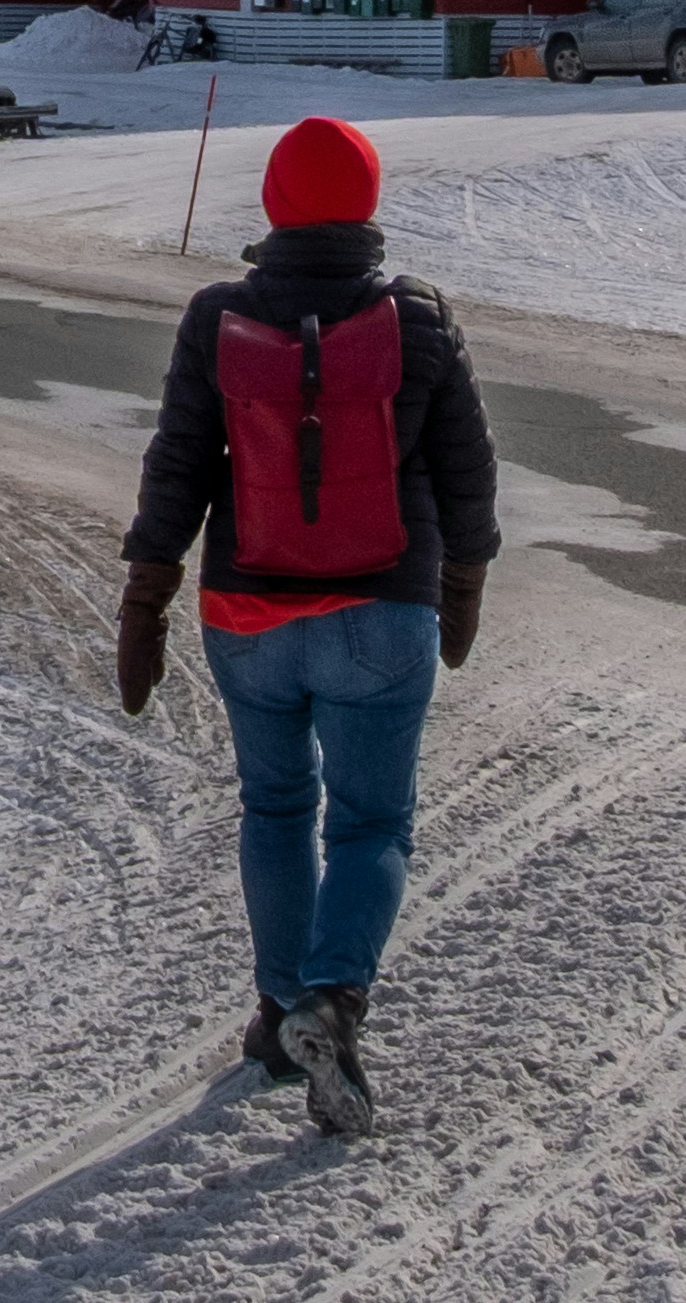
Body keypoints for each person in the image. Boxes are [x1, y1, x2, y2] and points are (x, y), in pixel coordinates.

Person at [113, 112, 497, 1136]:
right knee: (371, 821)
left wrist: (145, 597)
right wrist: (462, 587)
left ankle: (282, 1012)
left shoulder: (216, 317)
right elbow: (468, 473)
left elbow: (178, 466)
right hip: (384, 610)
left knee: (276, 810)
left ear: (275, 205)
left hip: (249, 612)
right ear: (366, 204)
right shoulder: (420, 319)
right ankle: (334, 997)